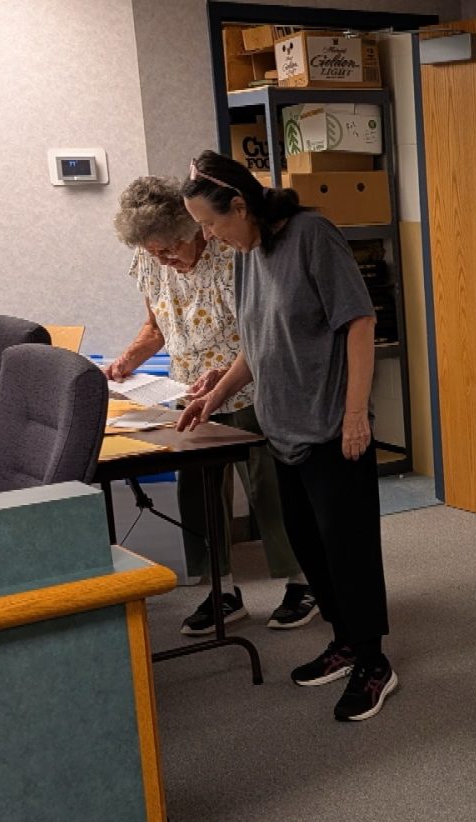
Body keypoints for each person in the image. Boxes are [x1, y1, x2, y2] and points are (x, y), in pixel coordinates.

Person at [176, 151, 396, 722]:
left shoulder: (312, 235)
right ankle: (344, 641)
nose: (208, 236)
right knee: (310, 547)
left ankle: (374, 661)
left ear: (239, 205)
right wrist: (215, 396)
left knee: (348, 551)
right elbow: (257, 345)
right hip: (282, 429)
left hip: (331, 427)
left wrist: (355, 414)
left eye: (210, 223)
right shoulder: (248, 254)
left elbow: (360, 322)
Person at [111, 176, 320, 636]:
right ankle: (222, 590)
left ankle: (302, 584)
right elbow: (156, 326)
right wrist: (125, 363)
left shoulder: (233, 256)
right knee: (199, 493)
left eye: (170, 248)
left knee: (270, 489)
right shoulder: (150, 260)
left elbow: (265, 330)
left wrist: (223, 378)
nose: (163, 259)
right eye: (153, 252)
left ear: (194, 227)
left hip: (250, 386)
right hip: (188, 393)